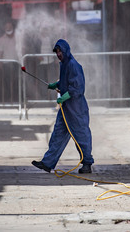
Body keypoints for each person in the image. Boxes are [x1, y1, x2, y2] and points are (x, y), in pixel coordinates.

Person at [32, 39, 94, 174]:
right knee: (57, 134)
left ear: (66, 50)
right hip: (66, 108)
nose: (58, 54)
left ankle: (87, 163)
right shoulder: (64, 65)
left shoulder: (73, 65)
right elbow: (66, 81)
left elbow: (78, 88)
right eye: (57, 52)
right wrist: (57, 84)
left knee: (81, 136)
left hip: (77, 109)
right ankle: (47, 163)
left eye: (60, 51)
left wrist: (65, 96)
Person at [0, 21, 19, 103]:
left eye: (9, 27)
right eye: (7, 27)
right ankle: (8, 98)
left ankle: (17, 98)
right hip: (6, 64)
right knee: (7, 82)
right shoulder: (2, 39)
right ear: (4, 29)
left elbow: (22, 50)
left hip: (16, 63)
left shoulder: (17, 37)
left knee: (16, 81)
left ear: (12, 28)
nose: (8, 29)